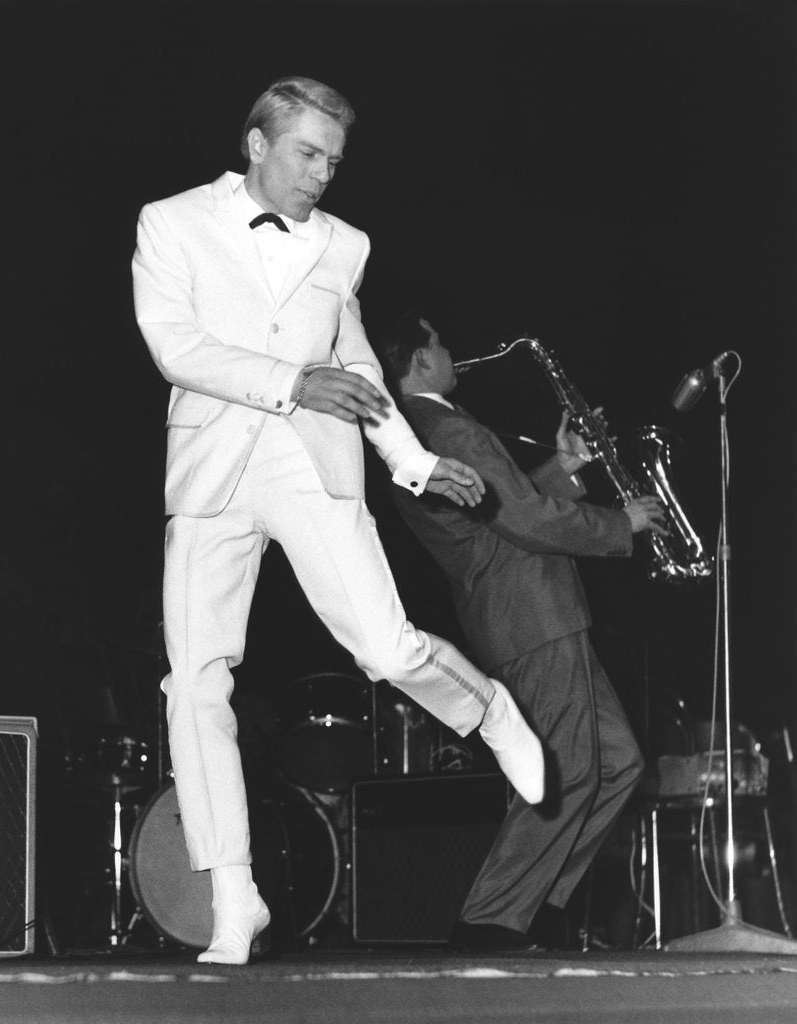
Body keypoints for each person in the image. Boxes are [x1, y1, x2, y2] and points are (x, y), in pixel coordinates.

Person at [131, 76, 543, 965]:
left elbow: (353, 360)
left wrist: (415, 459)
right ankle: (231, 895)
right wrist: (289, 381)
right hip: (213, 466)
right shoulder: (170, 222)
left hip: (308, 459)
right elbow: (175, 345)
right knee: (194, 683)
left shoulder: (344, 246)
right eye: (307, 153)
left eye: (333, 160)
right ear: (256, 144)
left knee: (385, 649)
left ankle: (487, 708)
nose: (322, 174)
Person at [379, 310, 666, 950]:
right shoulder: (447, 427)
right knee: (568, 767)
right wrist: (620, 523)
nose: (452, 352)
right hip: (531, 613)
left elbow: (493, 512)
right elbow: (526, 523)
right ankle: (489, 919)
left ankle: (539, 906)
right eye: (441, 342)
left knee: (617, 762)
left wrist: (563, 466)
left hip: (531, 612)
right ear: (421, 361)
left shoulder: (416, 431)